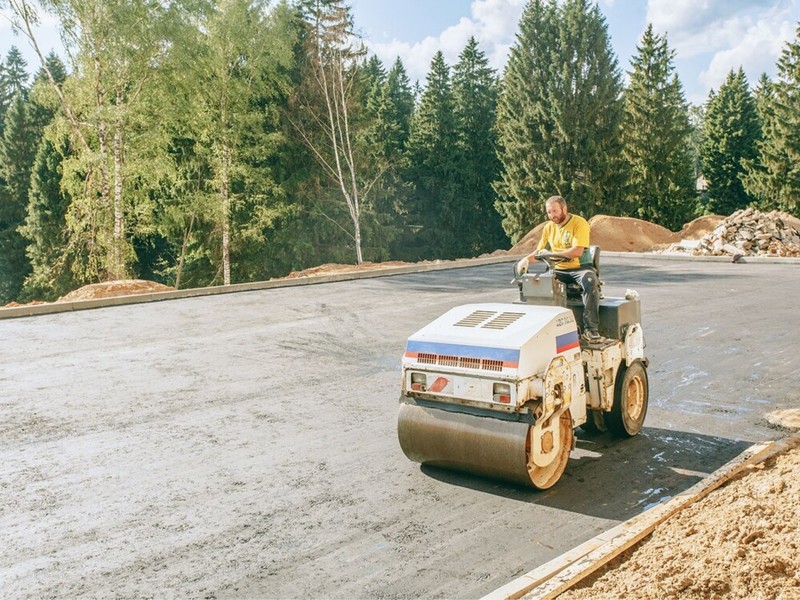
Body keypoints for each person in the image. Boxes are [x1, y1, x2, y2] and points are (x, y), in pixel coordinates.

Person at [516, 195, 602, 342]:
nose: (552, 216)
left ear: (564, 208)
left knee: (589, 280)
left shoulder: (579, 223)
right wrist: (525, 260)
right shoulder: (548, 228)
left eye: (555, 211)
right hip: (558, 269)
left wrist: (552, 254)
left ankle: (591, 329)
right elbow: (539, 253)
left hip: (579, 268)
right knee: (537, 283)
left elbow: (577, 252)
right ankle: (540, 329)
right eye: (549, 212)